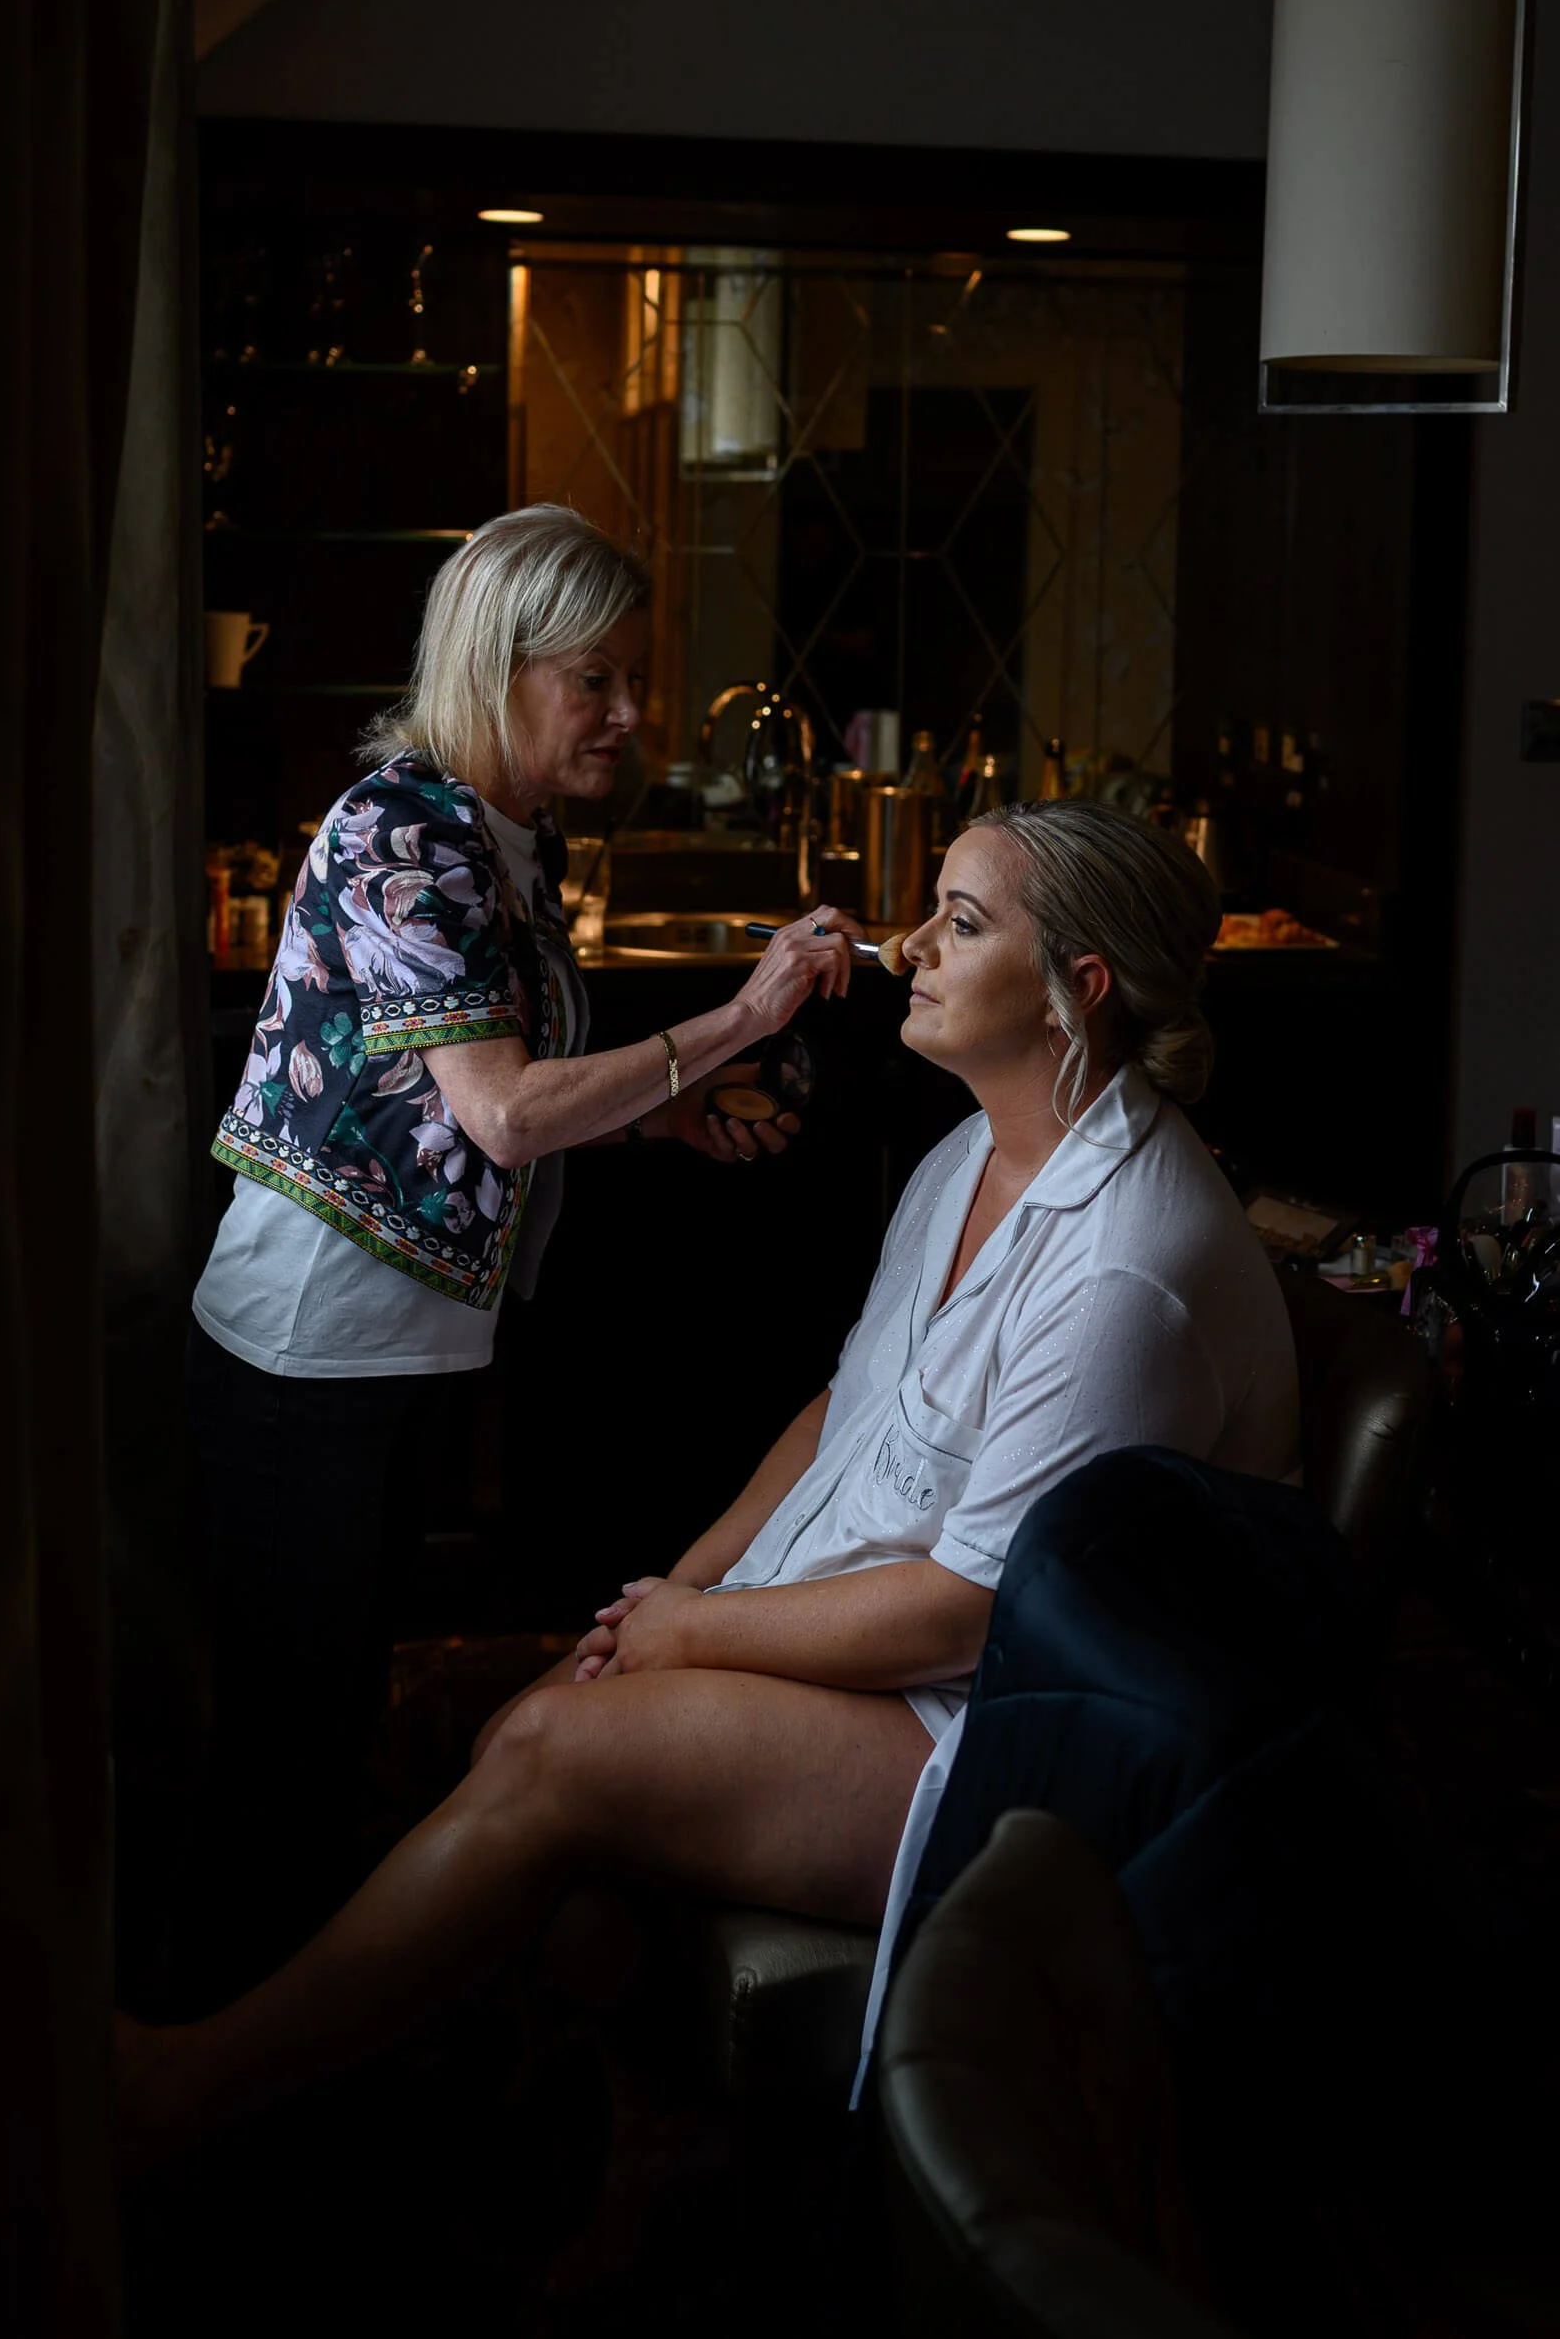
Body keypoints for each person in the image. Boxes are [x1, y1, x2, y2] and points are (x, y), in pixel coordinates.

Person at [128, 795, 1298, 2150]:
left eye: (962, 924)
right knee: (534, 1717)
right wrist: (668, 1595)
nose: (906, 944)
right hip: (901, 1640)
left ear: (1074, 992)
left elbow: (967, 1614)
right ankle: (616, 2148)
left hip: (1007, 1739)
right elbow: (843, 1406)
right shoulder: (976, 1147)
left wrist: (697, 1632)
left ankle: (190, 2093)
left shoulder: (1123, 1268)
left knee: (554, 1750)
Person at [182, 503, 853, 1995]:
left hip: (396, 1349)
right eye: (593, 680)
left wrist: (658, 1121)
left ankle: (294, 2028)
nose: (629, 713)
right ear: (497, 669)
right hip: (311, 1353)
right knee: (287, 1746)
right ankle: (227, 2063)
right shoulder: (399, 834)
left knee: (333, 1711)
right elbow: (497, 1114)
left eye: (633, 678)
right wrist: (738, 1022)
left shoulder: (499, 837)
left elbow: (472, 1098)